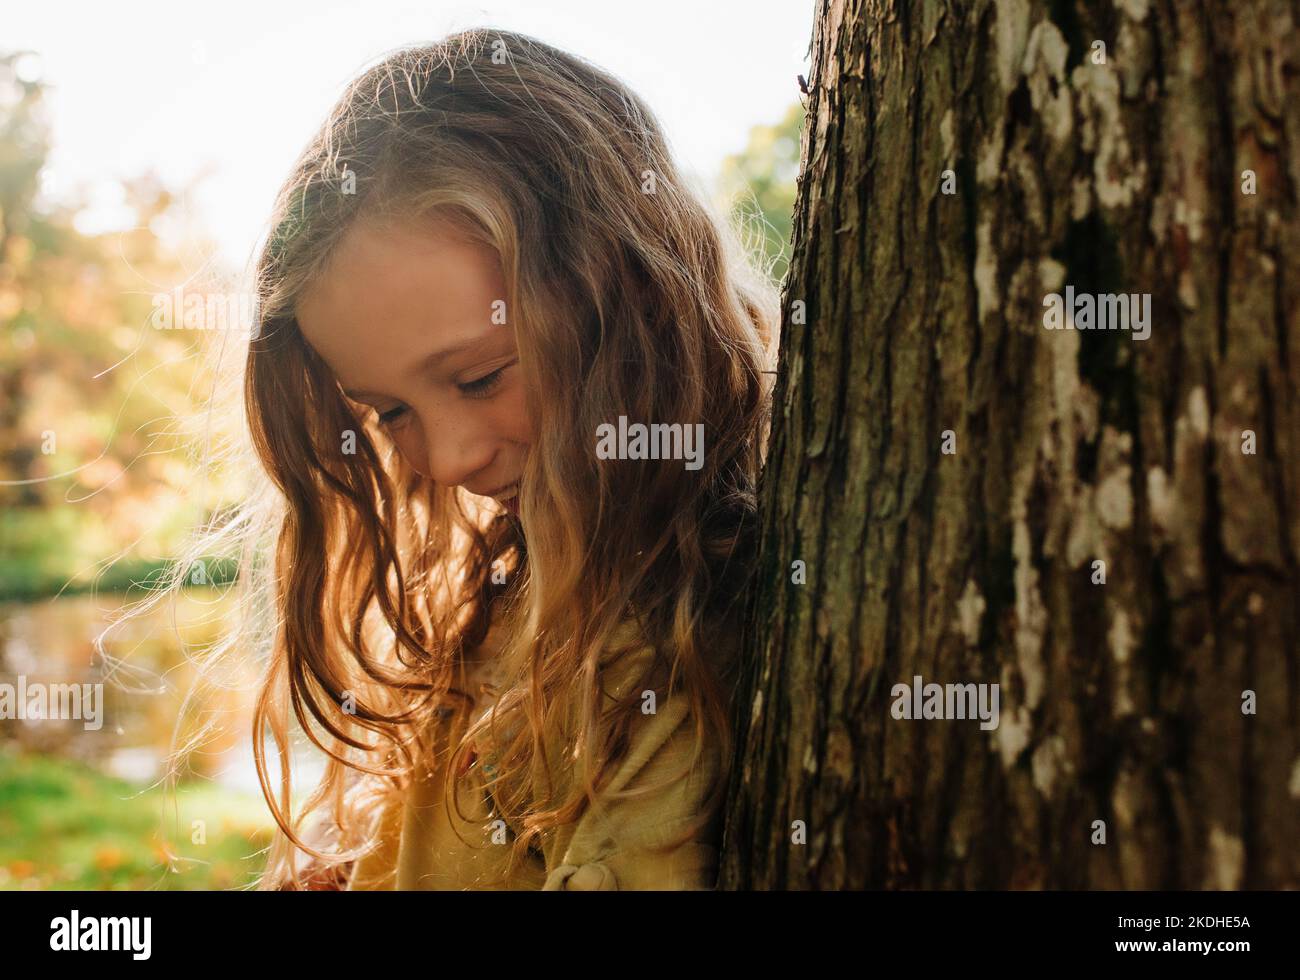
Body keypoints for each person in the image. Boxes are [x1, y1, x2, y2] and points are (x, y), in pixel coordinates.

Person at [192, 27, 778, 890]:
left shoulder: (671, 637)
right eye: (390, 410)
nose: (450, 456)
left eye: (479, 376)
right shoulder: (515, 578)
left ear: (626, 297)